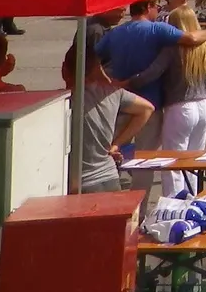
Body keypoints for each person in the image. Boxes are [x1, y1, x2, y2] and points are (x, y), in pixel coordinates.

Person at [122, 6, 206, 160]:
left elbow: (152, 73)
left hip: (179, 107)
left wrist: (128, 82)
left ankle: (176, 186)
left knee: (173, 162)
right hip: (203, 105)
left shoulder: (173, 48)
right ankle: (191, 185)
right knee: (194, 160)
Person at [62, 40, 153, 193]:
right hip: (110, 176)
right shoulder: (113, 93)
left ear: (65, 69)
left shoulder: (65, 101)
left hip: (80, 183)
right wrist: (117, 144)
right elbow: (147, 108)